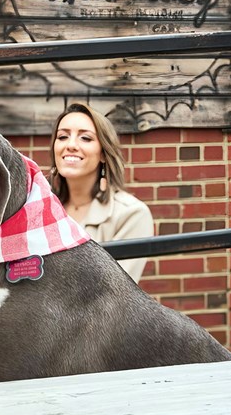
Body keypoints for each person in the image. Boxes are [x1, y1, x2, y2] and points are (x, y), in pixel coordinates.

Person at [50, 102, 155, 282]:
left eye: (86, 138)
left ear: (104, 154)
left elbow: (112, 294)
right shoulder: (40, 211)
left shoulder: (131, 214)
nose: (71, 145)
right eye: (63, 136)